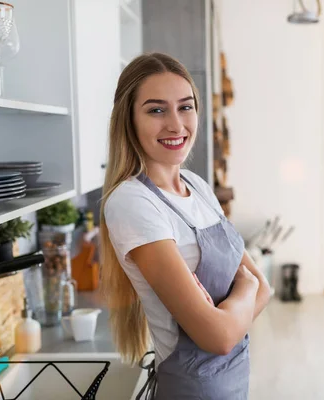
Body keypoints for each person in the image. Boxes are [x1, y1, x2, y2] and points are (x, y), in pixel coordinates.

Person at [99, 52, 272, 399]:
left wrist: (235, 302)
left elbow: (264, 288)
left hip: (234, 386)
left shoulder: (198, 186)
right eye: (156, 109)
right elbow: (218, 337)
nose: (176, 125)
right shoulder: (132, 203)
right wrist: (245, 288)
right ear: (128, 120)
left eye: (185, 107)